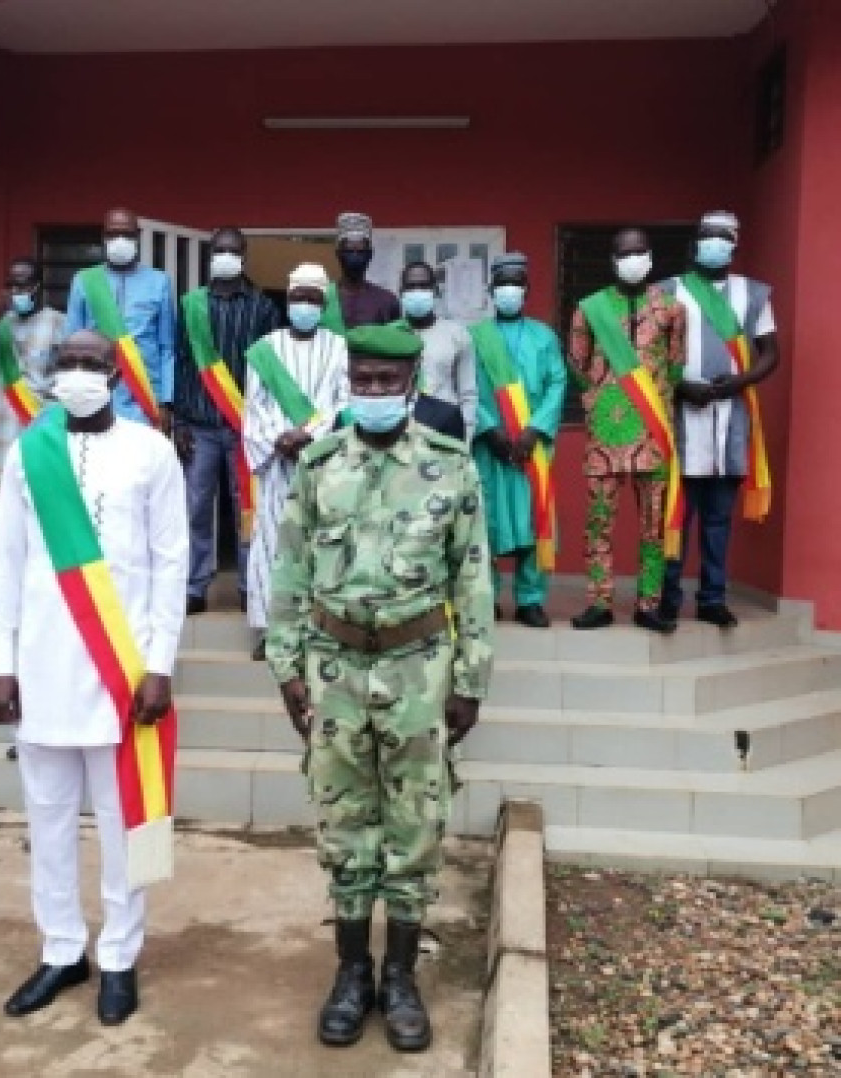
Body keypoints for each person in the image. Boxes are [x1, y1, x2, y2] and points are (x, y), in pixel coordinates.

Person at [266, 323, 494, 1053]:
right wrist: (285, 666)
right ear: (348, 382)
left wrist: (470, 679)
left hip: (419, 665)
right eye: (360, 381)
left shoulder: (452, 467)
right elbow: (291, 566)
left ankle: (399, 976)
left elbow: (473, 575)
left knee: (415, 822)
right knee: (342, 821)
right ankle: (351, 973)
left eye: (384, 382)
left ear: (411, 382)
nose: (371, 393)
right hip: (333, 667)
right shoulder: (320, 463)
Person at [0, 330, 188, 1027]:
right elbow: (4, 564)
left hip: (123, 675)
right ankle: (62, 949)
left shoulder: (151, 451)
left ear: (116, 374)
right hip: (40, 668)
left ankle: (122, 956)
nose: (77, 373)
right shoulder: (27, 454)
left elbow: (171, 565)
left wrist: (161, 665)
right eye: (65, 363)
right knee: (47, 822)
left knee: (133, 823)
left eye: (90, 364)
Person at [659, 211, 779, 628]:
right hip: (679, 419)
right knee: (674, 515)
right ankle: (666, 597)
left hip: (731, 419)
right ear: (695, 243)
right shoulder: (669, 290)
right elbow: (648, 356)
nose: (712, 243)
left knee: (717, 518)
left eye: (720, 237)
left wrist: (741, 381)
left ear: (734, 243)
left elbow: (770, 354)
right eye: (704, 236)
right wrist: (678, 385)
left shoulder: (754, 294)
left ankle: (712, 598)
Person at [568, 229, 687, 633]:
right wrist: (602, 401)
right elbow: (579, 366)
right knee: (598, 521)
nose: (633, 258)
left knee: (653, 524)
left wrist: (650, 403)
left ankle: (648, 604)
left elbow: (675, 366)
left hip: (653, 433)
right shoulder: (590, 308)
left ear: (651, 256)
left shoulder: (672, 309)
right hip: (605, 434)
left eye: (640, 251)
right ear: (613, 259)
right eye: (625, 252)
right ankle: (599, 603)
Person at [173, 227, 281, 615]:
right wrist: (179, 421)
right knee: (195, 506)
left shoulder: (263, 307)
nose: (225, 256)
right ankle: (194, 585)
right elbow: (182, 363)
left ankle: (250, 585)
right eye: (218, 250)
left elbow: (272, 368)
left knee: (246, 508)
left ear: (244, 256)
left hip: (245, 426)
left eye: (232, 251)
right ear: (210, 255)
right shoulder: (190, 305)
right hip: (199, 424)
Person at [243, 263, 349, 659]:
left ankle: (319, 626)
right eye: (297, 298)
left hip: (323, 462)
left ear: (323, 303)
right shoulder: (264, 350)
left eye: (312, 299)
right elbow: (255, 406)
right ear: (287, 301)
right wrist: (278, 439)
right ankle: (270, 630)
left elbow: (343, 402)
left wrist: (309, 434)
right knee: (272, 541)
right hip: (277, 464)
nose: (304, 305)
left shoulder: (339, 348)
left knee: (322, 542)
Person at [470, 252, 567, 628]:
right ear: (492, 290)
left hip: (533, 448)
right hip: (490, 446)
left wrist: (534, 430)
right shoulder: (474, 337)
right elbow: (469, 389)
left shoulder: (544, 336)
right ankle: (487, 596)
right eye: (502, 284)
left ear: (526, 290)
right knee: (487, 519)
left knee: (533, 518)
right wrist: (490, 430)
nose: (509, 290)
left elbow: (557, 383)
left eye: (516, 284)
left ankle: (530, 599)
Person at [65, 207, 177, 431]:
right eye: (113, 234)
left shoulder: (159, 281)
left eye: (126, 234)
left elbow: (167, 347)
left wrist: (166, 402)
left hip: (144, 397)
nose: (120, 240)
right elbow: (71, 344)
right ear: (103, 238)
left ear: (137, 237)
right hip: (95, 393)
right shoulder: (84, 281)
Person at [0, 256, 65, 483]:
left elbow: (67, 378)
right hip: (5, 430)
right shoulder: (1, 324)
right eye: (10, 285)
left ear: (37, 286)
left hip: (42, 426)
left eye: (22, 285)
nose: (16, 291)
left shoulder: (58, 322)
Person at [399, 261, 477, 440]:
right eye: (411, 287)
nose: (417, 291)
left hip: (444, 429)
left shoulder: (457, 334)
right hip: (399, 431)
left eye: (424, 286)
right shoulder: (389, 335)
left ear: (435, 291)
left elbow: (468, 394)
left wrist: (466, 438)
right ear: (401, 292)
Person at [320, 212, 400, 332]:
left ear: (370, 255)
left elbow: (397, 343)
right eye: (349, 251)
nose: (355, 257)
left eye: (360, 251)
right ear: (338, 254)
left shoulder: (387, 301)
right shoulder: (322, 297)